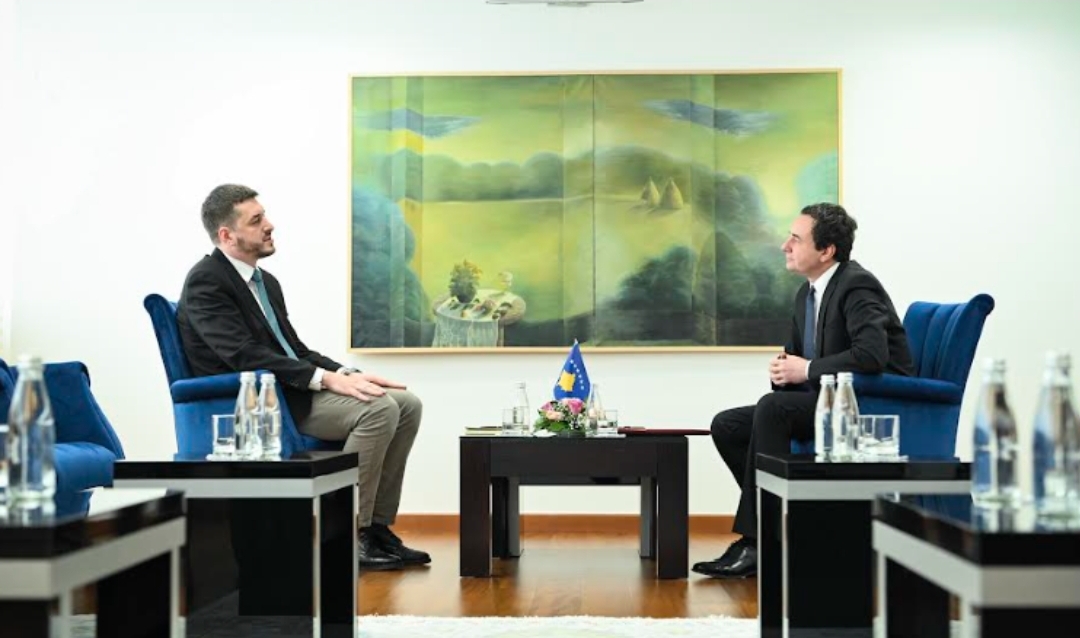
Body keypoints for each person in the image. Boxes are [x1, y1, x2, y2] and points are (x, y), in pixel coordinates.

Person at [178, 184, 428, 571]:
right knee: (377, 410)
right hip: (254, 406)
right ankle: (349, 534)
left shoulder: (265, 283)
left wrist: (347, 373)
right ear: (227, 235)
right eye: (256, 220)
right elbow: (243, 354)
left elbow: (292, 348)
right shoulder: (206, 281)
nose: (269, 225)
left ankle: (376, 528)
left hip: (289, 391)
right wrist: (325, 380)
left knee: (407, 404)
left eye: (264, 216)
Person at [694, 203, 914, 579]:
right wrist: (784, 371)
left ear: (826, 250)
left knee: (772, 409)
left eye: (796, 239)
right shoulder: (806, 294)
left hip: (867, 405)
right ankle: (782, 528)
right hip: (827, 400)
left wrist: (806, 369)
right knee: (727, 425)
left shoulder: (857, 285)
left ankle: (759, 543)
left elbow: (871, 355)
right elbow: (798, 359)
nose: (785, 246)